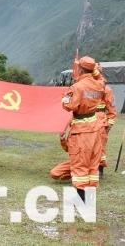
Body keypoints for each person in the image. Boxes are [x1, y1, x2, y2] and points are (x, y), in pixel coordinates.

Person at [61, 56, 106, 201]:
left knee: (80, 163)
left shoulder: (77, 87)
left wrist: (65, 97)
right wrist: (95, 72)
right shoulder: (99, 85)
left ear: (80, 69)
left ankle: (81, 199)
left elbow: (69, 106)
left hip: (81, 130)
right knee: (93, 164)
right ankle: (89, 198)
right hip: (95, 128)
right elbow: (102, 80)